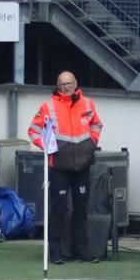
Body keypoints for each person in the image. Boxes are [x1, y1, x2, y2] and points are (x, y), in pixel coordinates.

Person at [28, 69, 102, 254]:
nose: (67, 87)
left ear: (75, 83)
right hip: (59, 166)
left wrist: (92, 143)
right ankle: (56, 252)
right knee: (58, 210)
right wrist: (47, 147)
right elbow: (33, 131)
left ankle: (82, 251)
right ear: (58, 85)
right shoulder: (48, 106)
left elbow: (96, 124)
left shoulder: (88, 103)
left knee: (81, 210)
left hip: (83, 166)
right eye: (63, 84)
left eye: (69, 83)